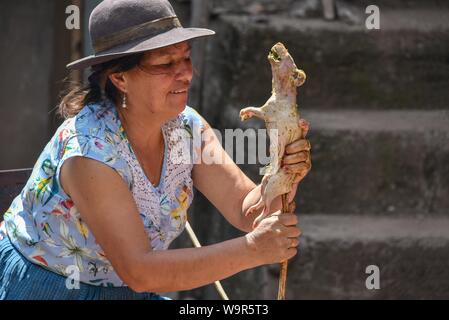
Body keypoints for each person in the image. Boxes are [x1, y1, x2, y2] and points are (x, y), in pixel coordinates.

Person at [0, 0, 311, 300]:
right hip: (50, 288)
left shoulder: (186, 129)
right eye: (165, 64)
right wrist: (253, 249)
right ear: (119, 78)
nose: (185, 73)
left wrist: (282, 175)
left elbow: (247, 209)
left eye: (186, 58)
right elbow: (140, 271)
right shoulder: (90, 152)